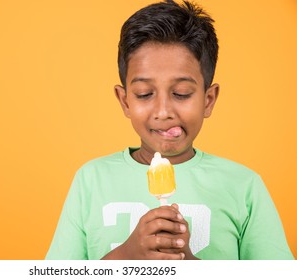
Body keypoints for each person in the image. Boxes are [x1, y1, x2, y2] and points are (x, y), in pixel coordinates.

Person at [45, 0, 294, 260]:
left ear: (208, 100)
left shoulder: (244, 186)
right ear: (124, 100)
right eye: (144, 94)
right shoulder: (91, 180)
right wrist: (126, 256)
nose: (163, 111)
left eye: (181, 93)